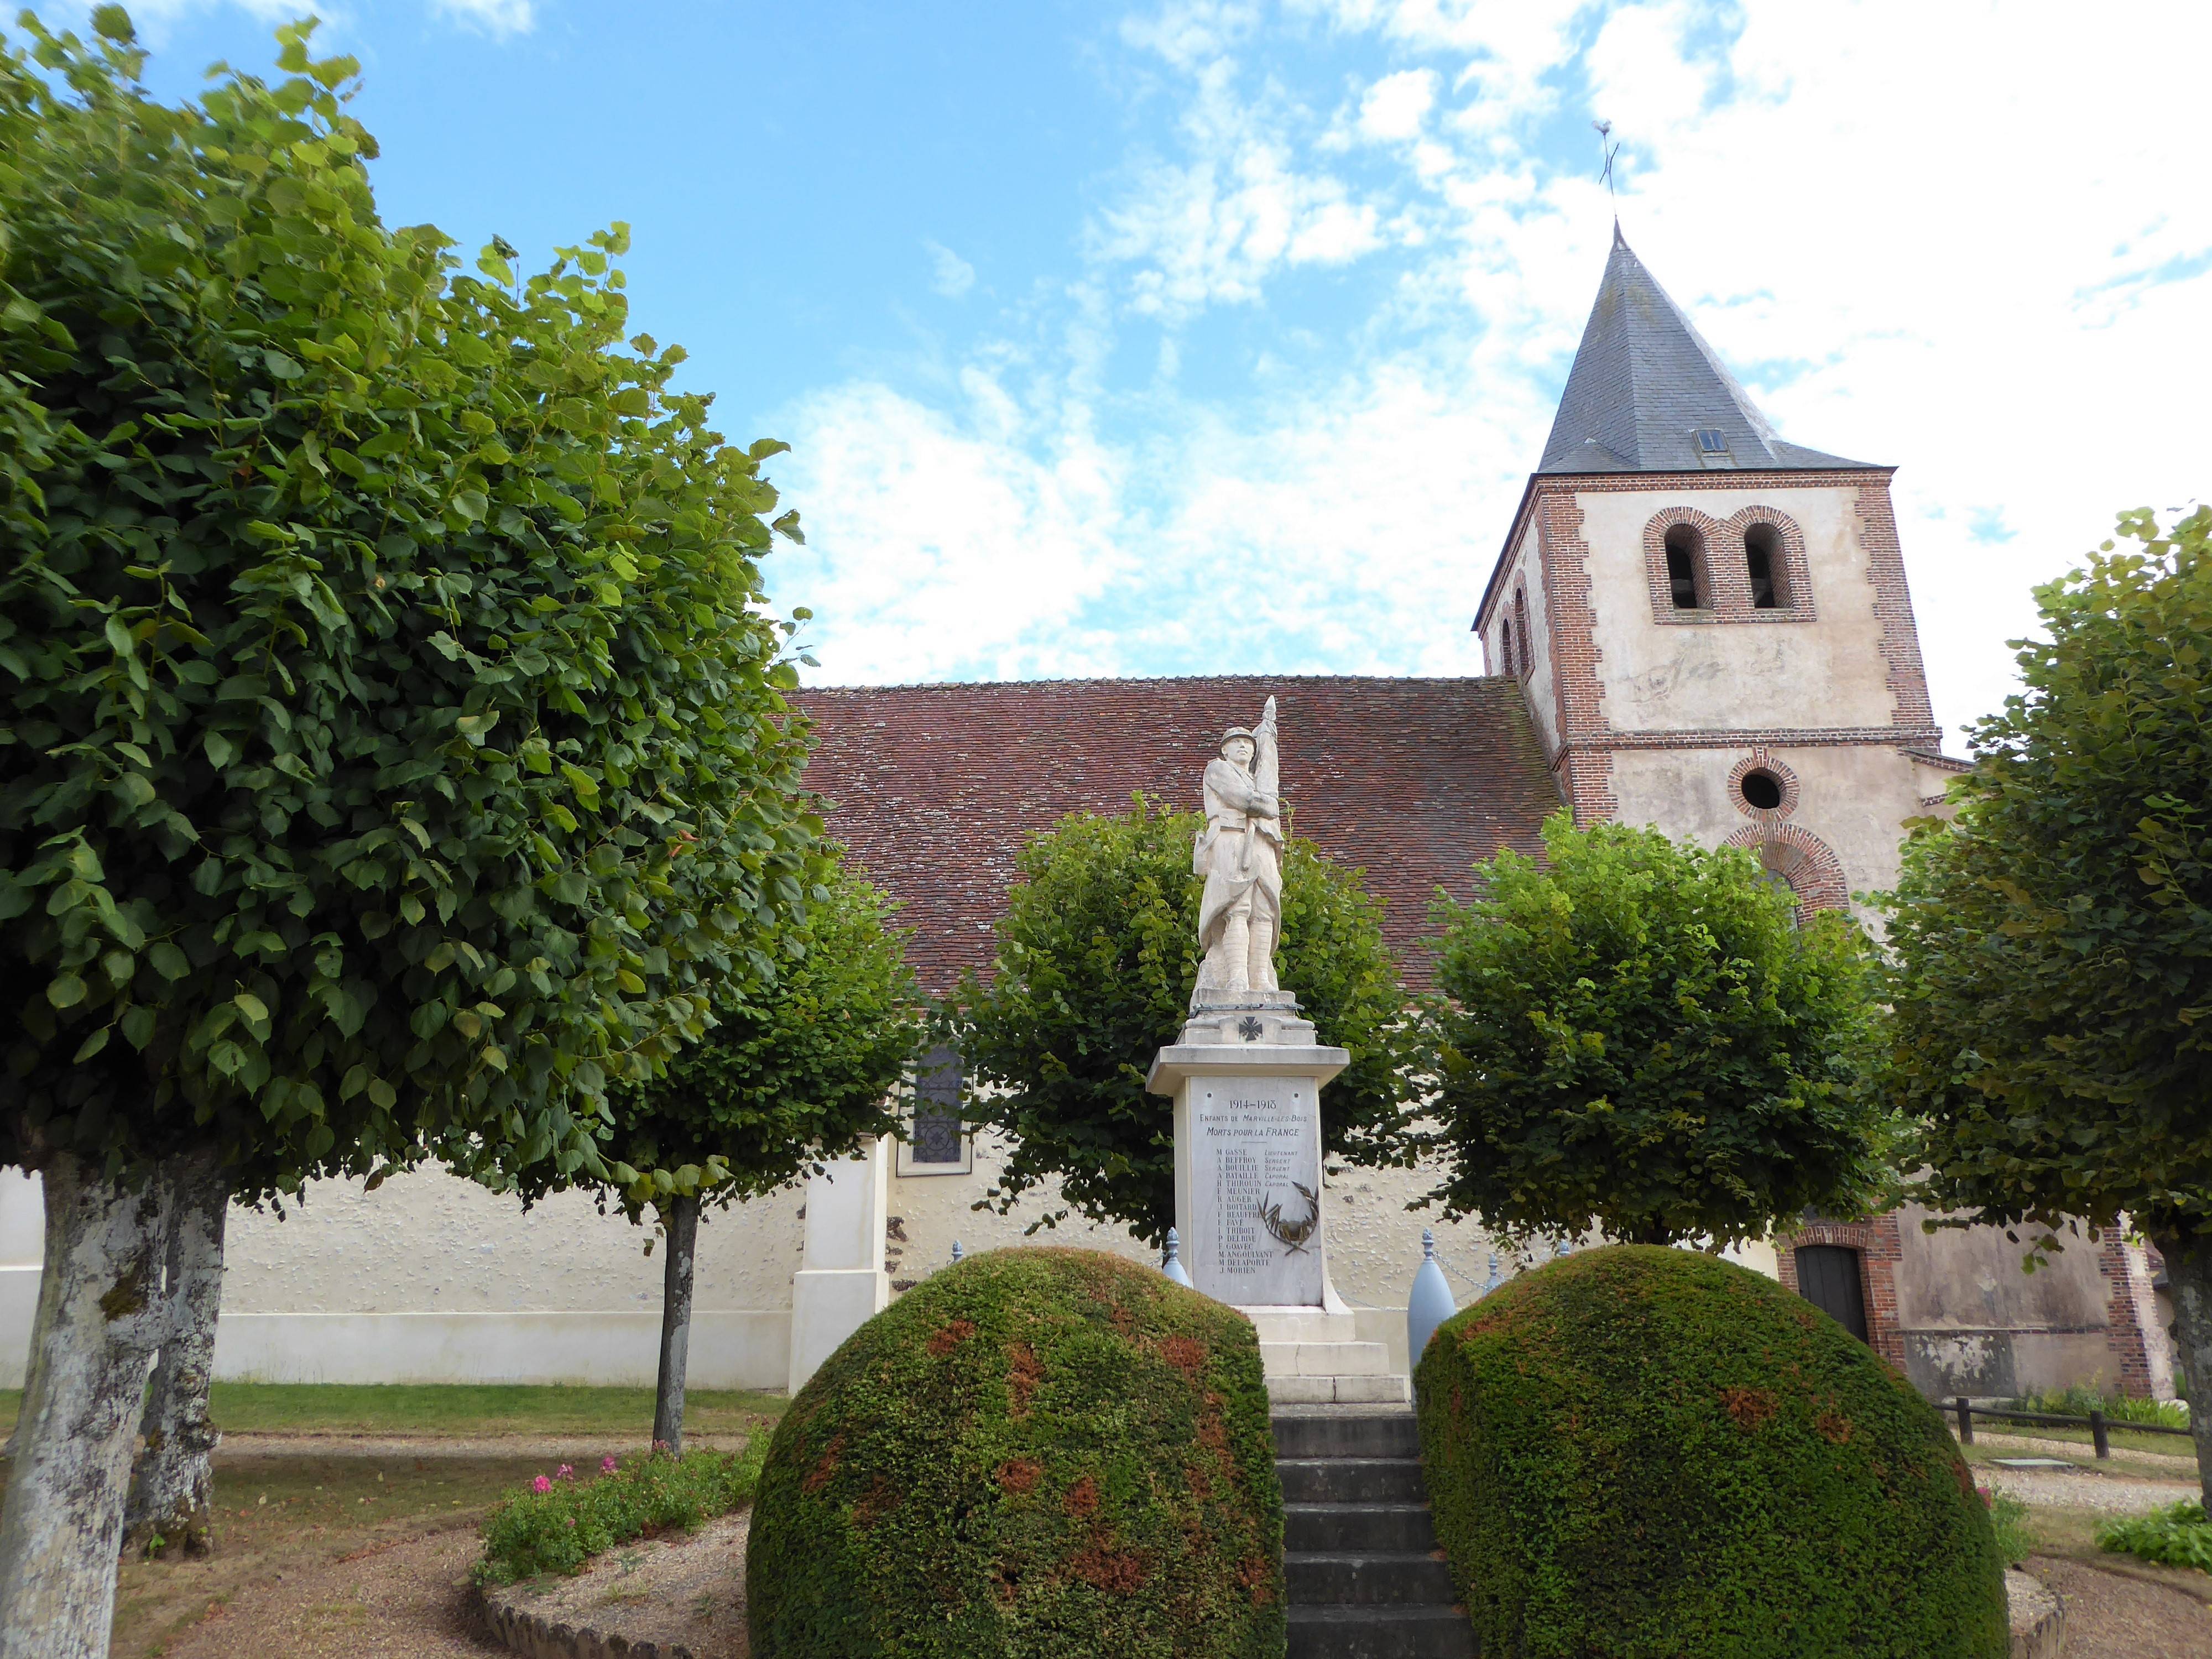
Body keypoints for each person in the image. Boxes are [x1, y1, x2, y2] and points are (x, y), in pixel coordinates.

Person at [1193, 697, 1282, 999]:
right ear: (1225, 749)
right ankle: (1236, 977)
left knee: (1264, 911)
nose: (1244, 747)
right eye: (1237, 742)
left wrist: (1265, 803)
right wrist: (1264, 804)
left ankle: (1260, 977)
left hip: (1260, 842)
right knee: (1237, 909)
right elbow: (1244, 800)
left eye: (1249, 743)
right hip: (1231, 839)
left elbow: (1267, 805)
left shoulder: (1258, 779)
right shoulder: (1217, 769)